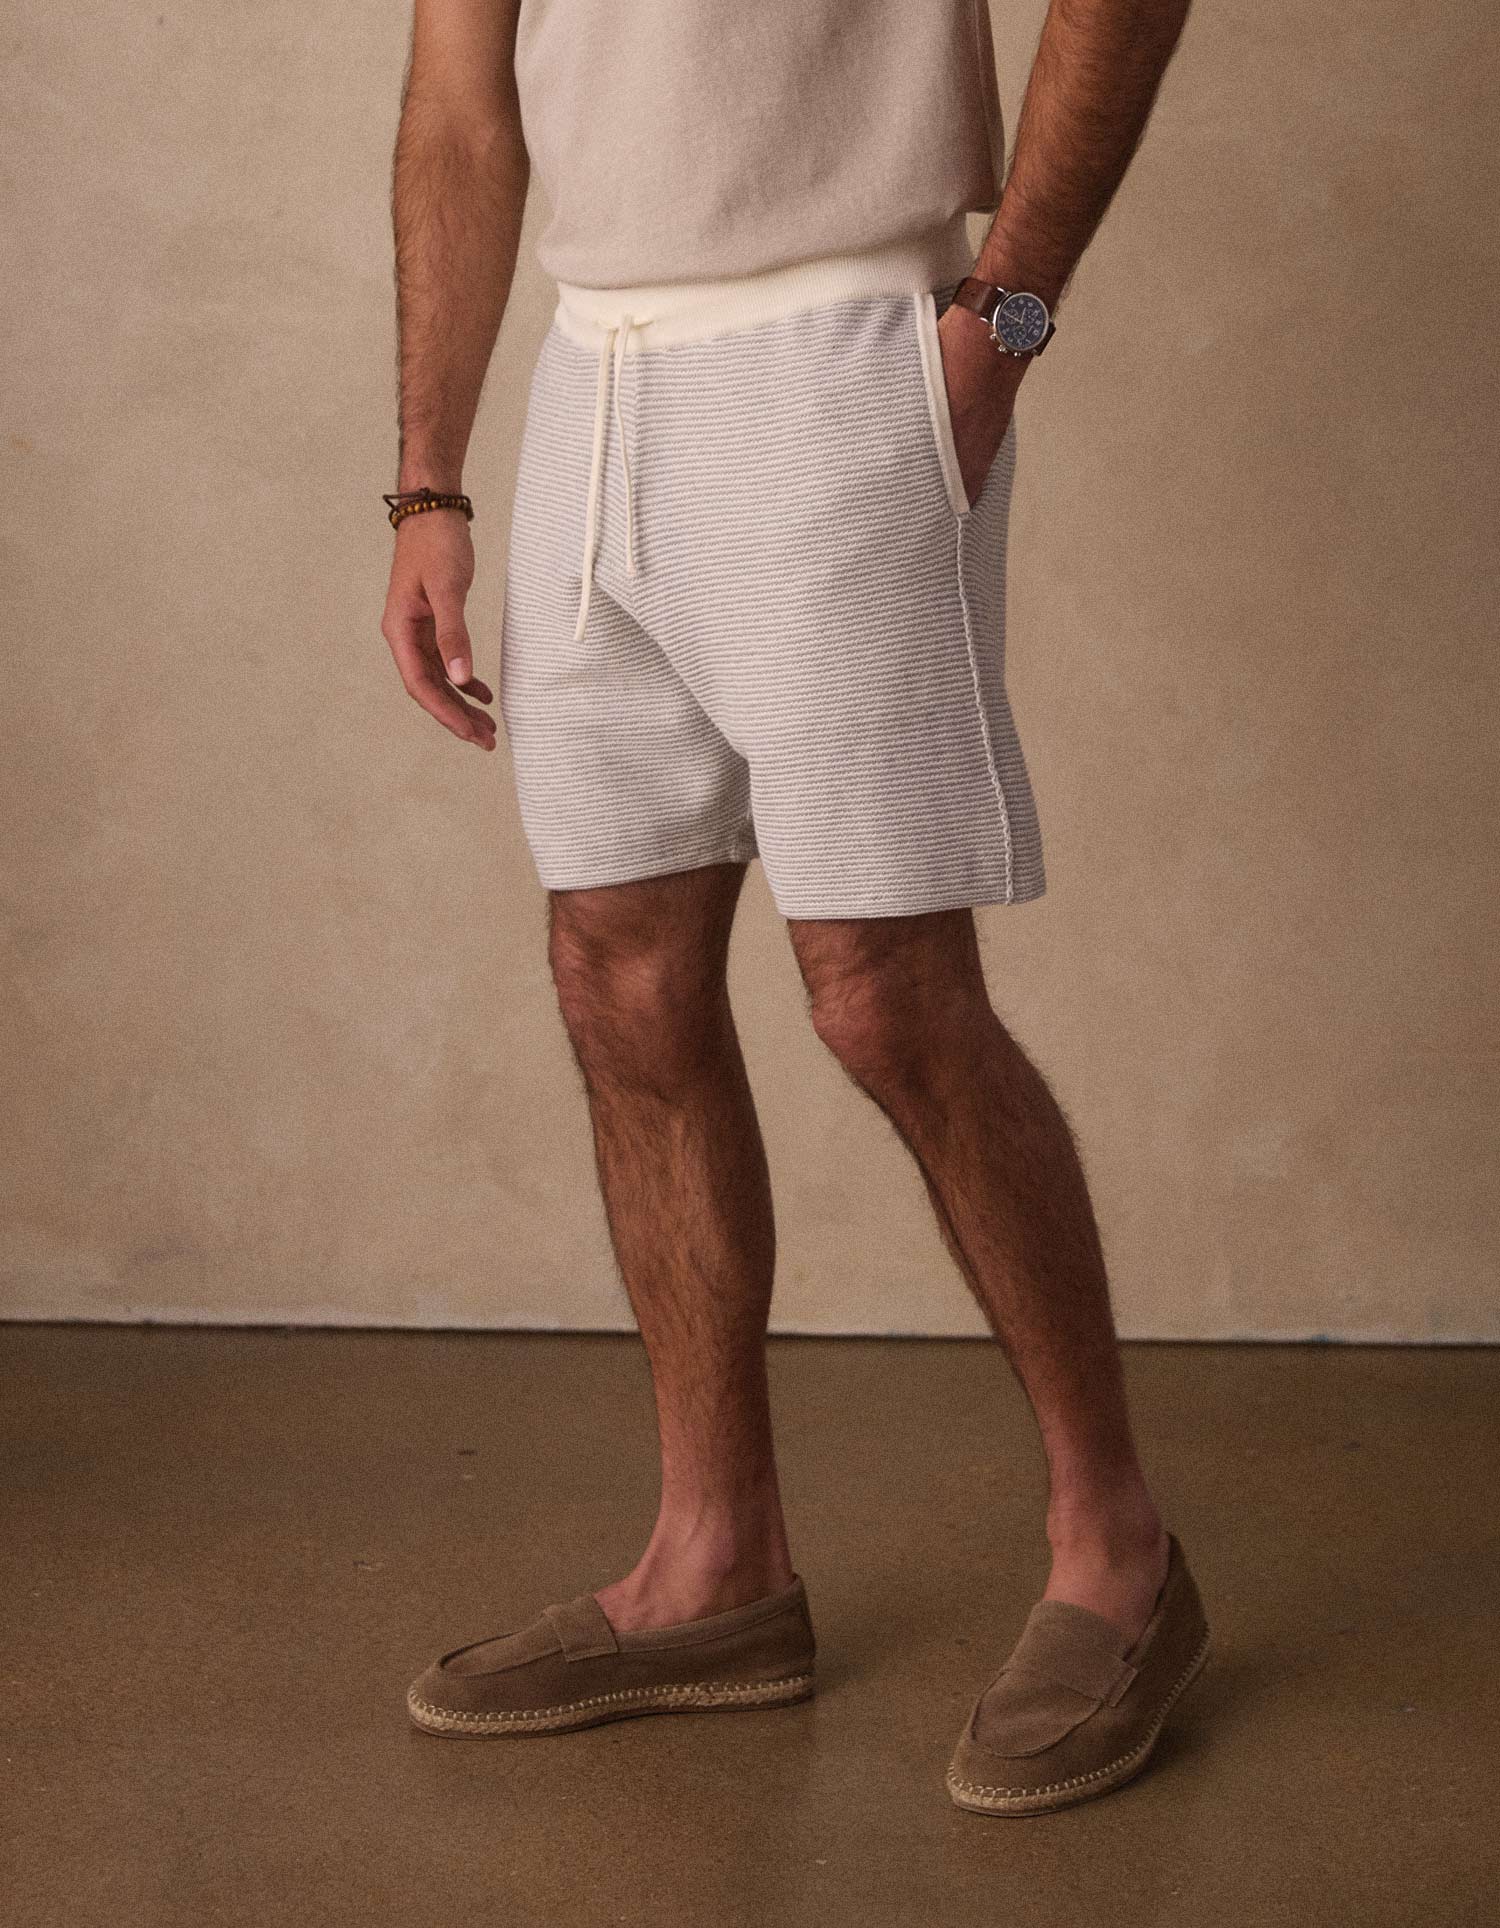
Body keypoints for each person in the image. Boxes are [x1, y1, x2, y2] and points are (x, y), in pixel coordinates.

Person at [385, 0, 1205, 1814]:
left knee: (883, 988)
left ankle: (1118, 1553)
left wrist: (1005, 320)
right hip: (593, 386)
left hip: (846, 357)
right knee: (617, 976)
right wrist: (429, 479)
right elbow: (457, 103)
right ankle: (716, 1565)